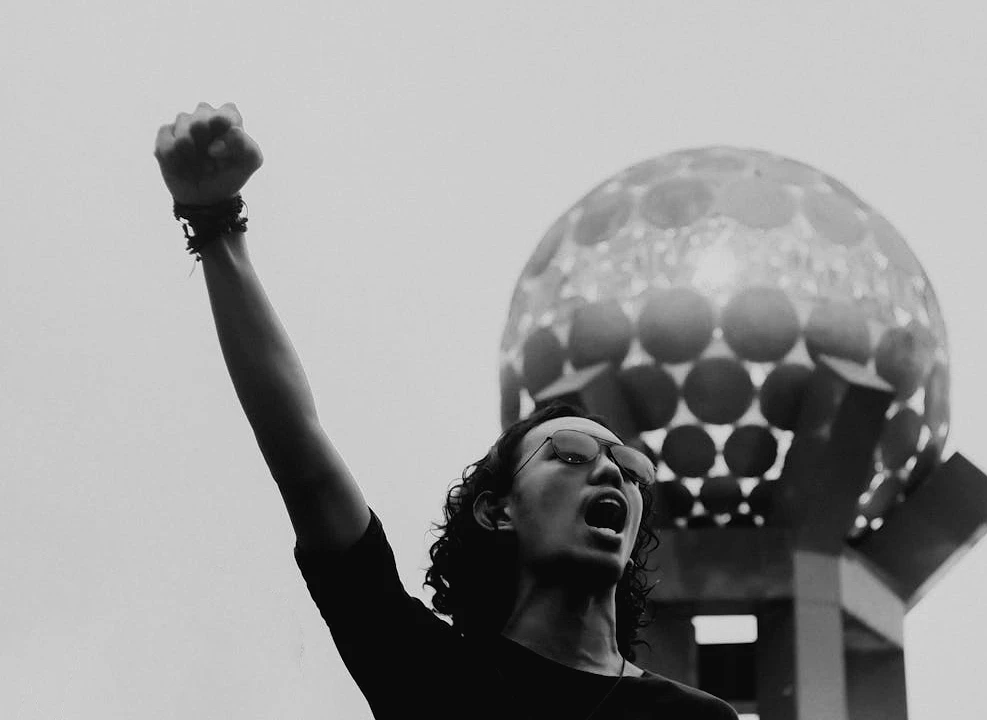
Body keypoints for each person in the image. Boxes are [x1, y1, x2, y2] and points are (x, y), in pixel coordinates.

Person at [152, 102, 739, 720]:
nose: (611, 473)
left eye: (626, 465)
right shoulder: (429, 674)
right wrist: (215, 221)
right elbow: (302, 457)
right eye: (569, 454)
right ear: (497, 509)